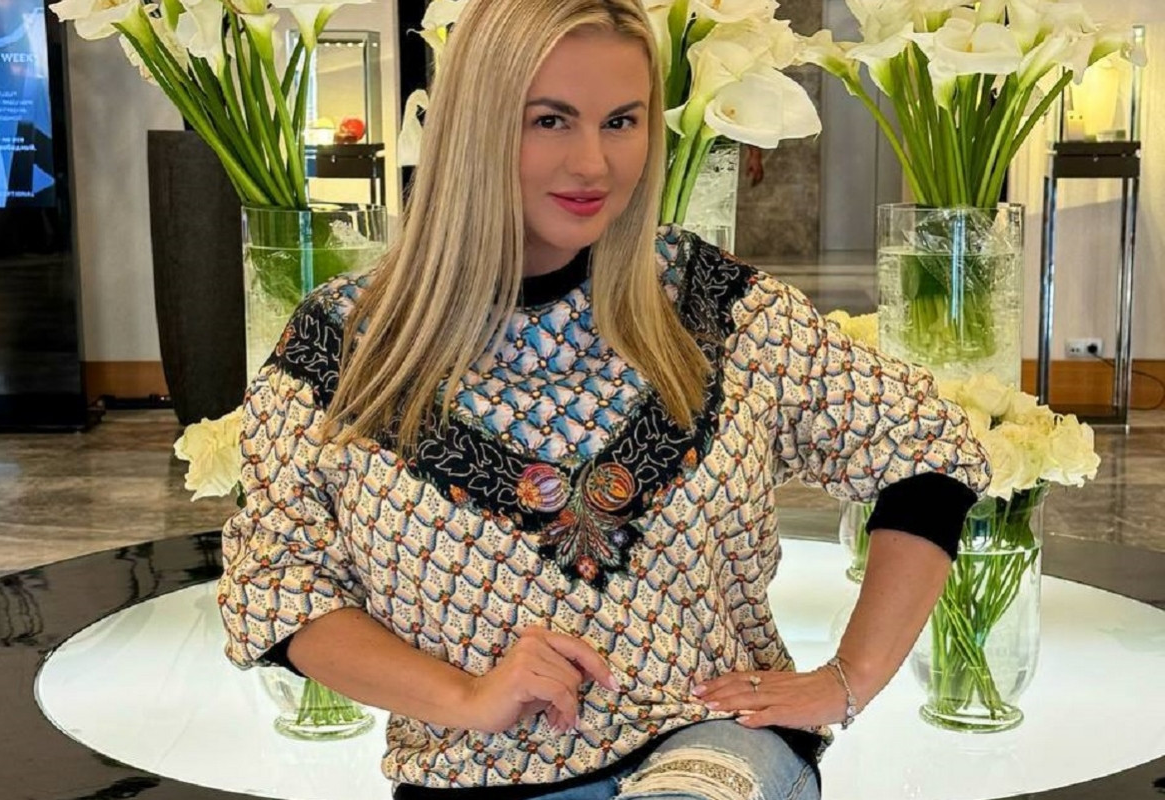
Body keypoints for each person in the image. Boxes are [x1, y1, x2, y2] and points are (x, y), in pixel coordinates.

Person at [216, 1, 990, 798]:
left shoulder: (715, 311)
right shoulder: (342, 349)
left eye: (622, 121)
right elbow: (277, 587)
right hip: (469, 773)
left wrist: (850, 677)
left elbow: (927, 447)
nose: (594, 163)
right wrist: (466, 697)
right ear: (475, 127)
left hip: (705, 748)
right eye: (550, 121)